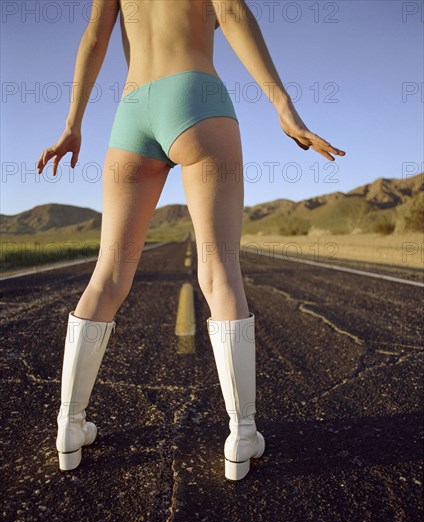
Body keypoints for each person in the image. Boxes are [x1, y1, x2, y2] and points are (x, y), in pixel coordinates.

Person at [37, 0, 345, 481]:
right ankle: (242, 435)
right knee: (219, 269)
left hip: (132, 108)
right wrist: (285, 108)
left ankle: (68, 426)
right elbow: (234, 13)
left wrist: (72, 124)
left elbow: (95, 37)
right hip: (196, 96)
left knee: (109, 273)